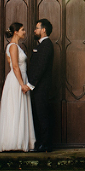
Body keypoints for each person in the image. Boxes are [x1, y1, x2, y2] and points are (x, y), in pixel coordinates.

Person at [0, 22, 36, 152]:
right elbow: (14, 66)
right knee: (15, 109)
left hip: (20, 78)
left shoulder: (16, 46)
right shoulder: (13, 46)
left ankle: (20, 141)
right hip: (16, 80)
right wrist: (22, 84)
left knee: (19, 108)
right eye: (22, 30)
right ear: (16, 32)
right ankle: (14, 142)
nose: (24, 32)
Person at [28, 18, 54, 152]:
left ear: (43, 30)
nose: (35, 30)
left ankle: (45, 144)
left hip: (41, 87)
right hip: (38, 88)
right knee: (38, 115)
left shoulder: (46, 45)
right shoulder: (41, 45)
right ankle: (40, 143)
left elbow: (41, 67)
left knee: (42, 115)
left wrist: (31, 84)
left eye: (37, 28)